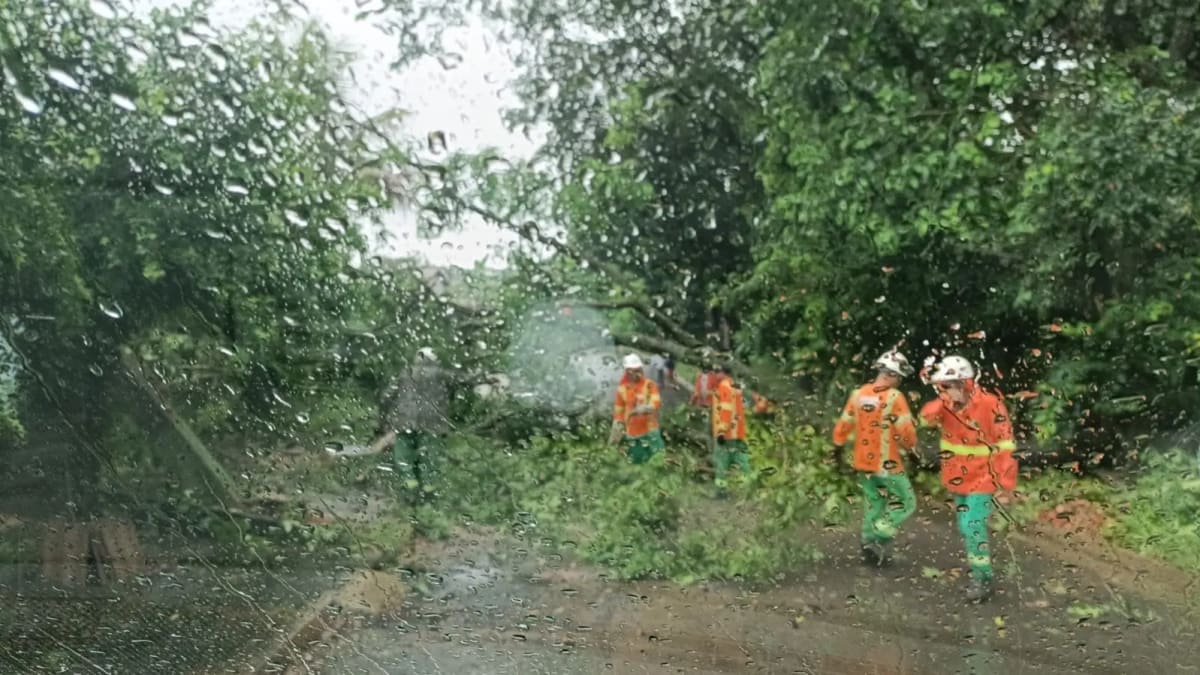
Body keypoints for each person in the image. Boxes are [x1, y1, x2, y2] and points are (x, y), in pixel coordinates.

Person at [919, 355, 1019, 602]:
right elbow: (924, 420)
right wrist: (943, 401)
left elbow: (1005, 442)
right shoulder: (946, 405)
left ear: (963, 382)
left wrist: (1005, 483)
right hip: (957, 479)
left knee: (974, 526)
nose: (945, 390)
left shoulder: (989, 404)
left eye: (947, 385)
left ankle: (982, 578)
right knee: (966, 526)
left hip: (983, 479)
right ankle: (978, 566)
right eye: (942, 386)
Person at [831, 350, 919, 566]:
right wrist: (913, 453)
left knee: (875, 503)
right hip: (887, 463)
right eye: (898, 377)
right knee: (906, 502)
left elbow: (843, 425)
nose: (899, 382)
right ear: (890, 374)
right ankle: (878, 536)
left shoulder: (857, 395)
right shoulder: (894, 397)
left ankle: (868, 542)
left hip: (863, 463)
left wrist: (837, 451)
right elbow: (905, 433)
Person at [378, 347, 450, 502]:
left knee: (404, 458)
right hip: (432, 425)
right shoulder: (441, 375)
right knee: (429, 459)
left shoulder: (404, 374)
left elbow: (386, 396)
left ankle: (411, 492)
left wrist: (386, 419)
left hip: (404, 423)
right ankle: (428, 497)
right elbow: (464, 379)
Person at [609, 353, 664, 464]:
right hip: (633, 433)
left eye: (638, 370)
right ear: (627, 371)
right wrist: (616, 430)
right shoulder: (622, 389)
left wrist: (643, 409)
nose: (635, 373)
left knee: (658, 459)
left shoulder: (649, 385)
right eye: (632, 370)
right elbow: (619, 412)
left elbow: (656, 403)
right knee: (637, 462)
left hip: (650, 431)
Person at [711, 366, 751, 493]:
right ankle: (748, 487)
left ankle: (721, 490)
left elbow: (725, 410)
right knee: (741, 459)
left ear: (723, 373)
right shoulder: (734, 386)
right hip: (737, 431)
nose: (715, 374)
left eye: (717, 371)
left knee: (722, 460)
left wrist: (722, 431)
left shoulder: (724, 387)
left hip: (727, 433)